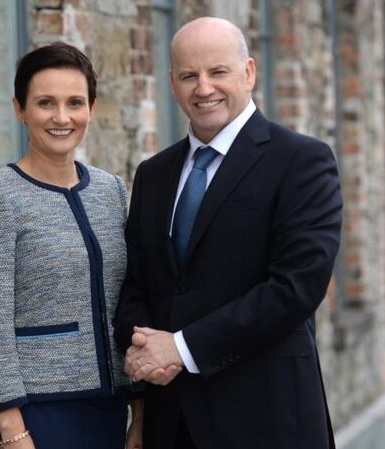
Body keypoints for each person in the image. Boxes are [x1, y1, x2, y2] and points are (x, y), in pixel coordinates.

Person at [114, 17, 342, 449]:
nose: (203, 88)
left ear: (249, 72)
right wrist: (143, 345)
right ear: (172, 82)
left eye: (217, 72)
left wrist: (180, 348)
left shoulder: (301, 161)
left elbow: (295, 288)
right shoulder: (154, 174)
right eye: (188, 76)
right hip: (172, 420)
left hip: (266, 420)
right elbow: (135, 285)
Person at [0, 42, 141, 449]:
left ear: (91, 107)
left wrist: (141, 411)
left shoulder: (111, 191)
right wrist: (12, 430)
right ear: (20, 109)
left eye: (75, 102)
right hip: (39, 414)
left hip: (112, 407)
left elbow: (130, 299)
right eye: (45, 103)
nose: (61, 117)